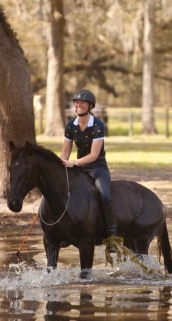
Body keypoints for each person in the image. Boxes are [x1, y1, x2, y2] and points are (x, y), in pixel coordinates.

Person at [60, 89, 118, 239]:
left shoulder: (98, 125)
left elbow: (93, 155)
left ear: (90, 106)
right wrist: (61, 165)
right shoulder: (70, 126)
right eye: (77, 102)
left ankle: (112, 232)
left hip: (97, 168)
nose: (79, 104)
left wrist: (73, 163)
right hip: (79, 168)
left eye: (82, 102)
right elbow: (65, 151)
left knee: (104, 194)